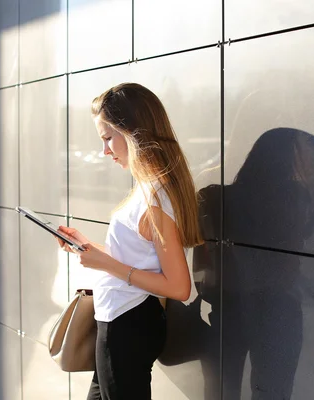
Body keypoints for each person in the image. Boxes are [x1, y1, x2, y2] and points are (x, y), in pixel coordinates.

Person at [56, 82, 204, 400]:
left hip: (128, 323)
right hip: (122, 320)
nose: (104, 151)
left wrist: (106, 263)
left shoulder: (154, 197)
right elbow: (139, 255)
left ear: (134, 131)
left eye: (108, 138)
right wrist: (92, 249)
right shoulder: (148, 189)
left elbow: (179, 287)